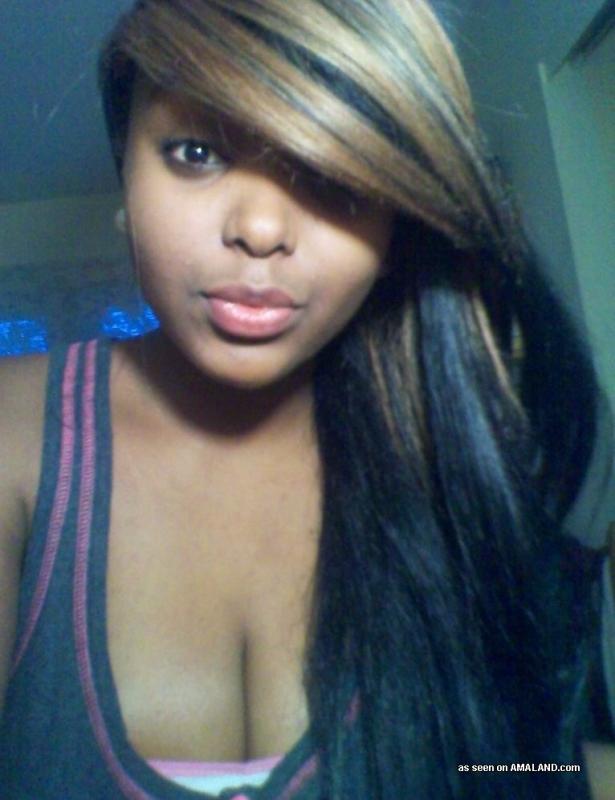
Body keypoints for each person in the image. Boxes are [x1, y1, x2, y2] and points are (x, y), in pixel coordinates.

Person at [0, 0, 613, 797]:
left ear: (395, 223)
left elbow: (508, 761)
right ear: (127, 171)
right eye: (195, 152)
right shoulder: (18, 435)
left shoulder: (447, 464)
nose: (260, 228)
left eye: (332, 173)